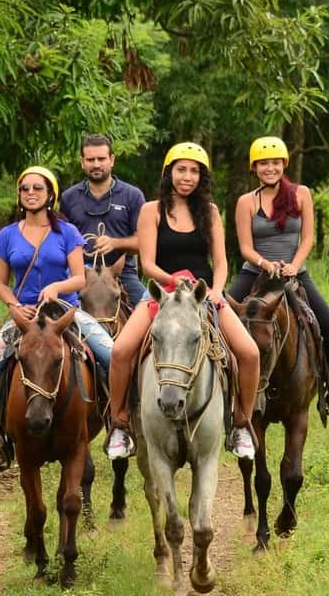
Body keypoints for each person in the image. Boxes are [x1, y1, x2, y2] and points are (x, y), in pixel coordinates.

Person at [105, 142, 261, 460]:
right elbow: (147, 264)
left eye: (194, 171)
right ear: (169, 173)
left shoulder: (211, 212)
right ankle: (120, 424)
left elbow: (221, 264)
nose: (187, 177)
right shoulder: (152, 211)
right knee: (121, 350)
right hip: (163, 295)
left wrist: (217, 290)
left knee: (249, 352)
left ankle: (242, 423)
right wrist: (174, 281)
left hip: (203, 296)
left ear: (201, 177)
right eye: (181, 170)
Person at [0, 165, 115, 469]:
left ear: (50, 194)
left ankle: (118, 425)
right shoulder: (7, 235)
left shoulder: (67, 233)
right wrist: (15, 304)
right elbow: (0, 282)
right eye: (25, 188)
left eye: (37, 188)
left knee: (111, 355)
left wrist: (57, 286)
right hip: (24, 315)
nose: (30, 193)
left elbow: (80, 278)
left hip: (65, 313)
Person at [228, 136, 329, 417]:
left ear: (284, 164)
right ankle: (226, 389)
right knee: (221, 319)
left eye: (275, 163)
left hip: (295, 273)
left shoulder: (301, 193)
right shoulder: (246, 202)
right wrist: (264, 262)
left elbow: (308, 238)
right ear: (254, 167)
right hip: (255, 273)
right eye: (264, 163)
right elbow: (245, 247)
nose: (270, 168)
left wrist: (294, 265)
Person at [59, 134, 148, 303]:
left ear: (112, 160)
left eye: (101, 158)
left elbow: (144, 243)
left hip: (123, 276)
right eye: (90, 159)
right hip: (80, 276)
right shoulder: (68, 197)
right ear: (82, 162)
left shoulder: (132, 195)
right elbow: (62, 244)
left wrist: (115, 243)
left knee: (153, 315)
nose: (96, 164)